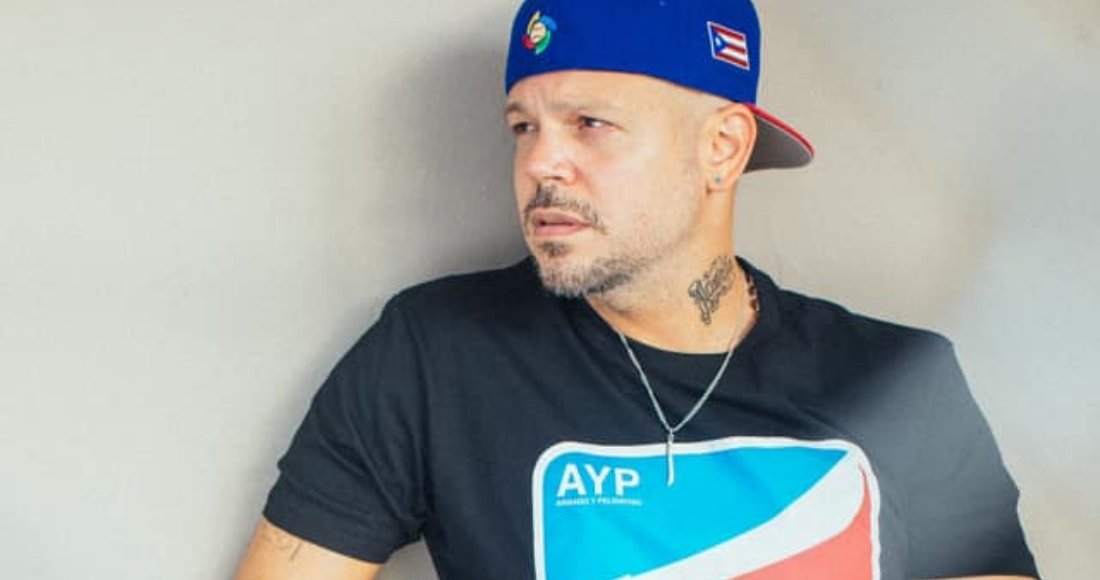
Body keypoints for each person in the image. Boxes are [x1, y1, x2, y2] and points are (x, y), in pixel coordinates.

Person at [233, 1, 1040, 579]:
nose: (541, 164)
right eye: (523, 127)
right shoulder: (436, 357)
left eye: (590, 124)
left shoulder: (902, 382)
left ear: (723, 148)